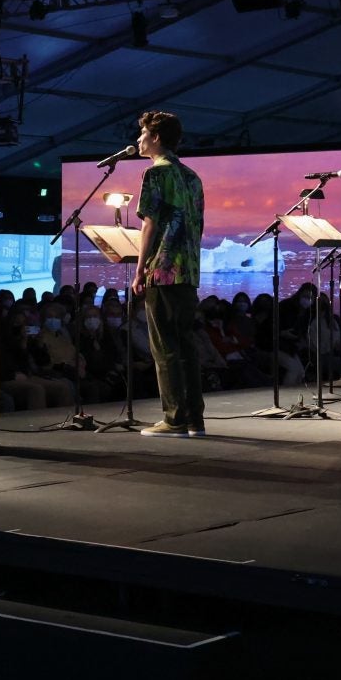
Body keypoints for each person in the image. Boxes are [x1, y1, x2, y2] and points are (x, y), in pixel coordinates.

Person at [130, 110, 207, 438]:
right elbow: (198, 225)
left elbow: (150, 223)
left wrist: (139, 269)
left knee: (165, 347)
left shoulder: (155, 174)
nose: (139, 140)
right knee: (186, 345)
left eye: (143, 134)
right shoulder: (192, 177)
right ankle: (194, 420)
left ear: (156, 137)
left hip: (162, 270)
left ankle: (173, 418)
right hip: (188, 270)